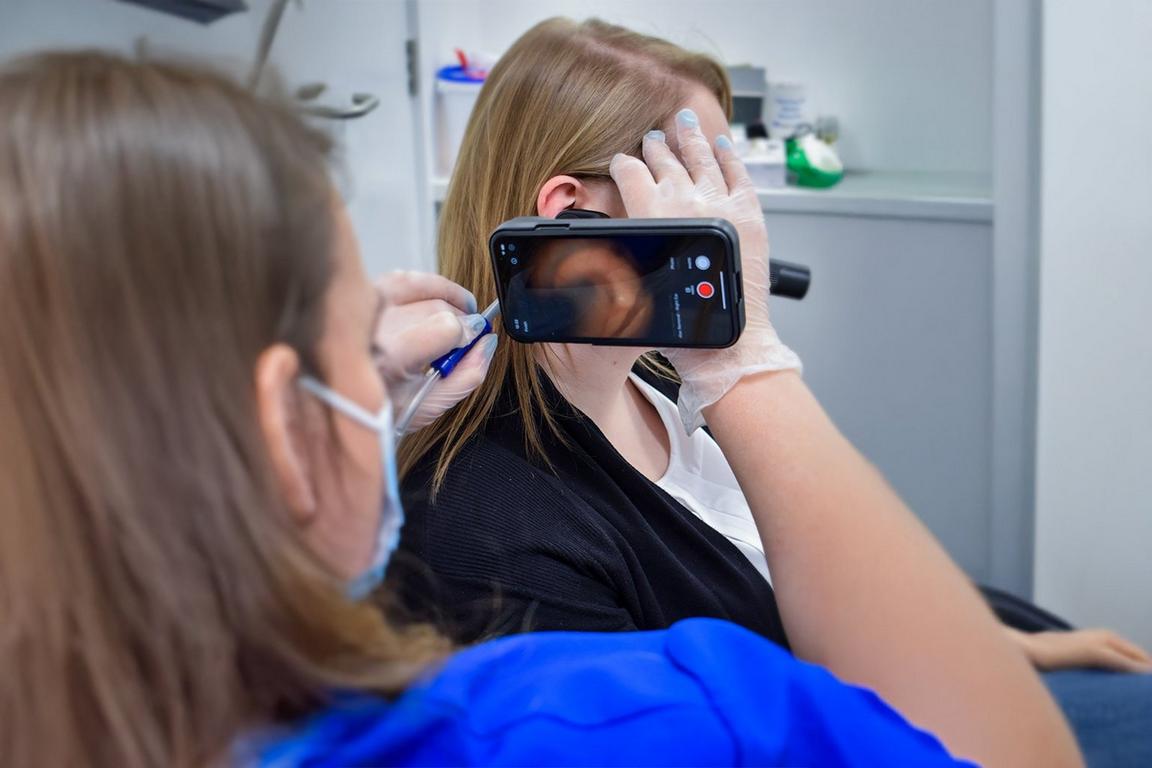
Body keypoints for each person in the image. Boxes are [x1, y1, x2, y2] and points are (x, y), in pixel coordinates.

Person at [0, 50, 1080, 768]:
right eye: (705, 196)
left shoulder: (655, 393)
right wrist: (747, 362)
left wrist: (994, 632)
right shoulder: (561, 680)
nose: (735, 222)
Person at [392, 15, 1147, 765]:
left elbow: (775, 555)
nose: (742, 221)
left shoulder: (662, 374)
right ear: (572, 218)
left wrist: (975, 637)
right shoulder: (488, 539)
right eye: (710, 185)